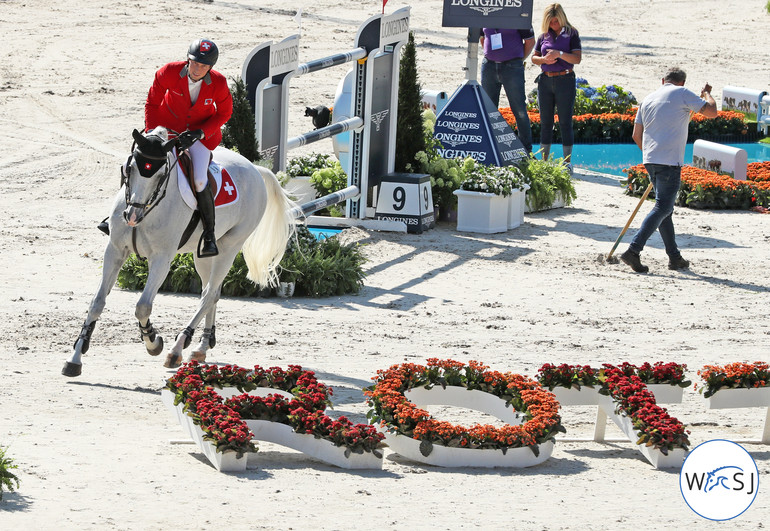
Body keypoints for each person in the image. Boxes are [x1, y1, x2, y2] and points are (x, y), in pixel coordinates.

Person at [620, 67, 717, 273]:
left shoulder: (648, 98)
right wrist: (707, 94)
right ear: (682, 82)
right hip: (669, 161)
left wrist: (651, 154)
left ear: (663, 80)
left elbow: (637, 135)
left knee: (665, 210)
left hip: (650, 159)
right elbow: (712, 112)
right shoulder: (682, 93)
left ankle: (674, 257)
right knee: (663, 208)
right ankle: (633, 250)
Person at [144, 38, 234, 257]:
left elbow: (225, 113)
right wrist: (152, 134)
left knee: (200, 179)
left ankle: (209, 235)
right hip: (166, 129)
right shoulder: (168, 72)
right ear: (188, 59)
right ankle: (116, 218)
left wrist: (200, 133)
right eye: (194, 63)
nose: (197, 69)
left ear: (211, 68)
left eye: (203, 66)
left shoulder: (219, 83)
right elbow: (152, 103)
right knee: (139, 162)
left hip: (199, 136)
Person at [530, 3, 581, 171]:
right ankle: (544, 161)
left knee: (565, 121)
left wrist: (559, 54)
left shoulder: (572, 33)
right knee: (546, 122)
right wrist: (544, 60)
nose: (554, 24)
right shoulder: (543, 35)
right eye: (551, 22)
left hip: (565, 79)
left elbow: (577, 59)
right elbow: (534, 58)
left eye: (556, 21)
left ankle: (567, 162)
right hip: (545, 80)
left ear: (562, 18)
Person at [480, 26, 535, 153]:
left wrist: (518, 60)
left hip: (512, 66)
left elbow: (530, 41)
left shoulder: (515, 13)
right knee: (489, 110)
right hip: (489, 65)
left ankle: (526, 151)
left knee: (519, 110)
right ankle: (490, 149)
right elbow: (482, 37)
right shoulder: (485, 11)